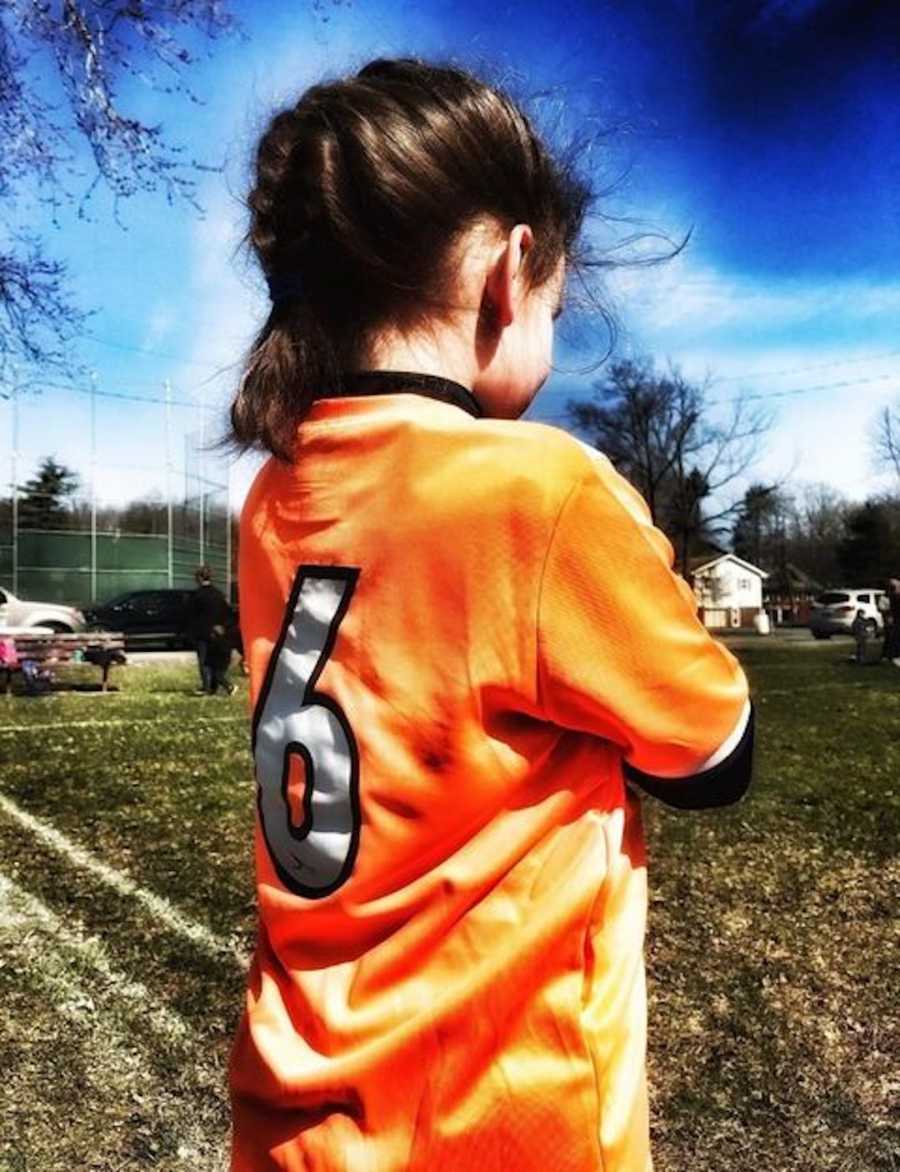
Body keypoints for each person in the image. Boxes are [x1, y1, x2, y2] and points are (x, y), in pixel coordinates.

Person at [227, 58, 753, 1172]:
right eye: (557, 305)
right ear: (510, 274)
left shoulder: (272, 496)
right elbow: (714, 749)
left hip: (293, 1117)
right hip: (506, 1127)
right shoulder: (538, 487)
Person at [182, 565, 233, 695]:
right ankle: (214, 687)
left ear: (199, 578)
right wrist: (222, 627)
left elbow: (191, 615)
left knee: (204, 662)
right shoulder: (219, 594)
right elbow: (227, 613)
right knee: (214, 661)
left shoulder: (197, 595)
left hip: (202, 633)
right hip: (218, 633)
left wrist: (189, 632)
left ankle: (207, 687)